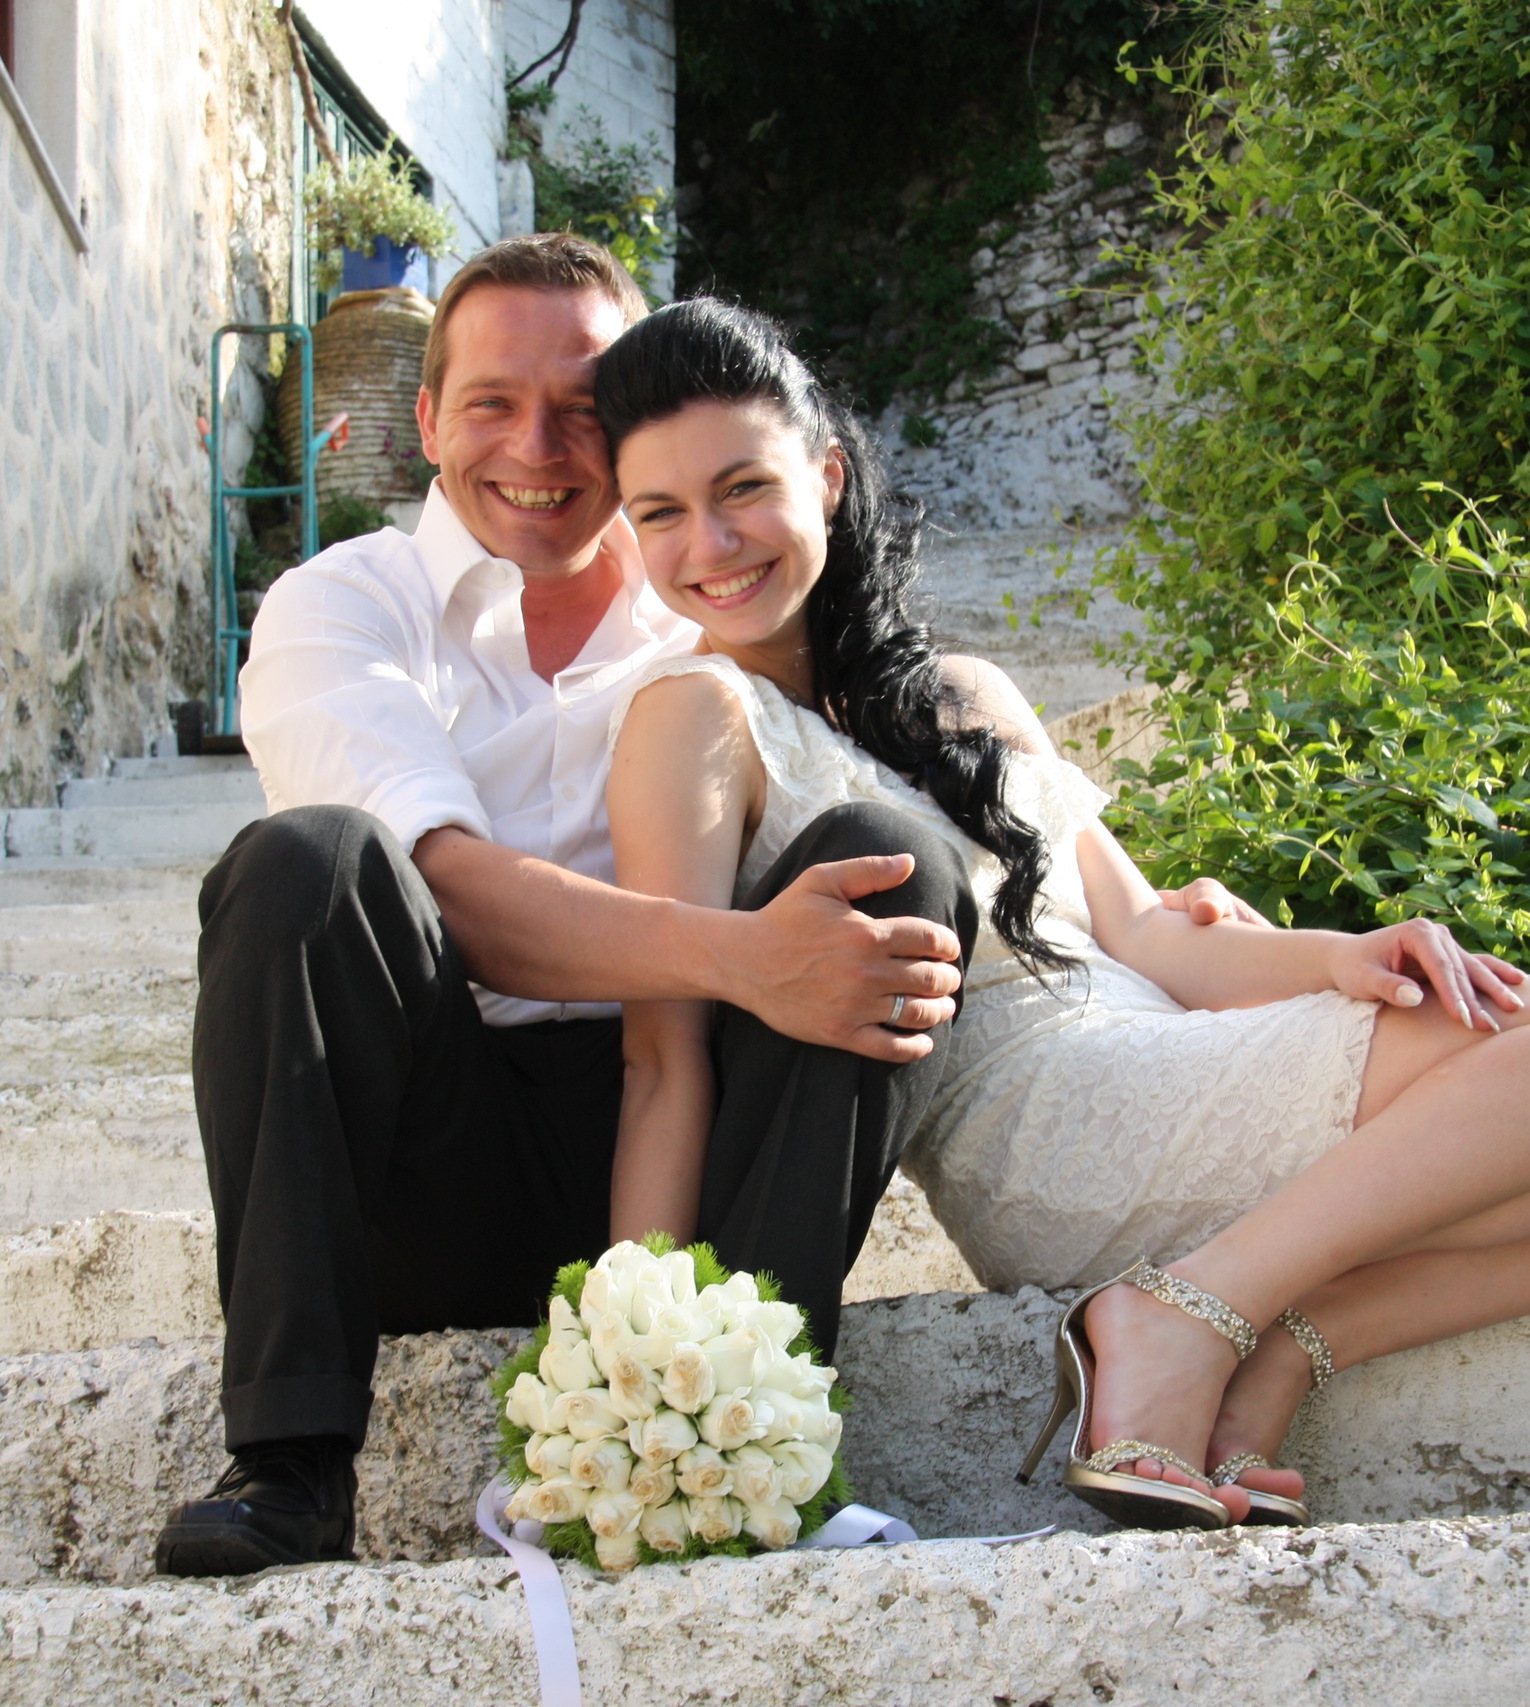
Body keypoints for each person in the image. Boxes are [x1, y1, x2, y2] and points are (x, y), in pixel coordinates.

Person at [592, 297, 1530, 1532]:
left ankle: (1277, 1346)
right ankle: (1161, 1320)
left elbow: (1147, 936)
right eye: (660, 513)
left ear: (824, 476)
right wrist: (631, 1374)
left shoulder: (967, 693)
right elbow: (665, 1059)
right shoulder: (692, 716)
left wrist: (1339, 955)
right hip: (1043, 1133)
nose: (711, 542)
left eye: (743, 488)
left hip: (1163, 1048)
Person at [152, 236, 986, 1578]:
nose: (536, 446)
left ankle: (745, 1427)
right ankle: (290, 1463)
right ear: (429, 419)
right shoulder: (340, 607)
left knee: (886, 862)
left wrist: (1175, 922)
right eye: (493, 401)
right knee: (307, 861)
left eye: (580, 407)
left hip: (695, 1142)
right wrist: (747, 956)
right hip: (433, 1160)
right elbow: (450, 889)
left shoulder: (707, 600)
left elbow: (930, 768)